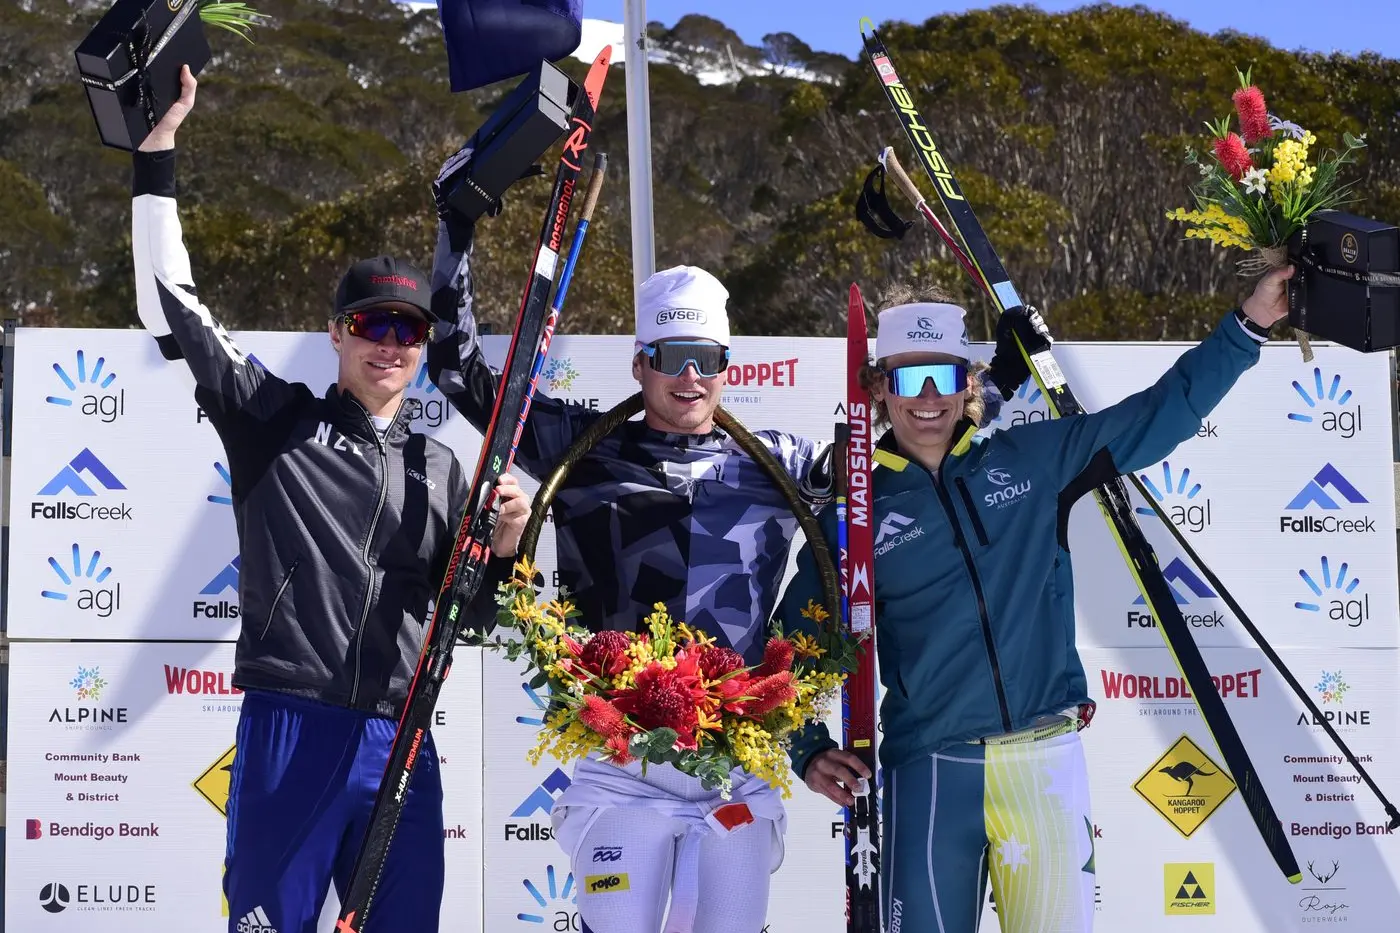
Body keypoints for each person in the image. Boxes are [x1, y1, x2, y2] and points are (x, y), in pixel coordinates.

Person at [130, 66, 530, 933]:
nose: (391, 345)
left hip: (401, 741)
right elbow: (172, 302)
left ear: (425, 348)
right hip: (290, 729)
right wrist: (156, 160)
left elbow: (477, 615)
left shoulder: (441, 466)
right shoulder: (272, 421)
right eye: (373, 326)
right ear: (338, 332)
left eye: (410, 330)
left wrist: (504, 545)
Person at [777, 270, 1292, 933]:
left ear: (971, 382)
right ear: (878, 390)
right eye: (908, 380)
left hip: (1043, 764)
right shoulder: (854, 514)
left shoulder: (1032, 459)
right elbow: (789, 645)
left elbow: (1159, 414)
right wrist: (808, 747)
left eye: (944, 376)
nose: (927, 398)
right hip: (931, 771)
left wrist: (1247, 324)